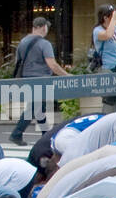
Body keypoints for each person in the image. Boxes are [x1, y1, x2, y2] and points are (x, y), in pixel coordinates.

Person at [8, 17, 70, 146]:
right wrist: (67, 75)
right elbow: (52, 64)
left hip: (26, 79)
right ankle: (17, 134)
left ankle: (45, 136)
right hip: (41, 79)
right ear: (43, 27)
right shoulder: (44, 44)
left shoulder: (23, 42)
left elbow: (17, 62)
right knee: (34, 108)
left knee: (38, 108)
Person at [91, 5, 116, 111]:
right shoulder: (97, 30)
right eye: (112, 16)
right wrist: (115, 19)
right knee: (110, 101)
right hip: (108, 70)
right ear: (105, 18)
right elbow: (108, 35)